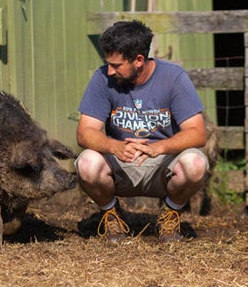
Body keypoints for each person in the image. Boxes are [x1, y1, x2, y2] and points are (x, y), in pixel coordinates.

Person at [75, 20, 209, 243]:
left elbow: (197, 133)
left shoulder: (174, 78)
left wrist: (159, 147)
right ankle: (112, 215)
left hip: (162, 164)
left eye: (117, 65)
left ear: (138, 60)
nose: (110, 70)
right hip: (119, 163)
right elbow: (84, 133)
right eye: (108, 63)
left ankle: (170, 214)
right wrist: (114, 146)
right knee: (86, 164)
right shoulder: (102, 79)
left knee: (196, 164)